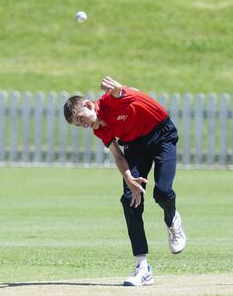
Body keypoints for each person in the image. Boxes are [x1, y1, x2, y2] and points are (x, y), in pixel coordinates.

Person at [63, 76, 186, 286]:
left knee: (163, 192)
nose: (83, 125)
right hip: (135, 145)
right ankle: (143, 267)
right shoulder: (99, 128)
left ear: (88, 104)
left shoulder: (111, 100)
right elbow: (118, 156)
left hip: (162, 134)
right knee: (130, 198)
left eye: (81, 118)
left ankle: (172, 220)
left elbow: (120, 93)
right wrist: (128, 177)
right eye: (78, 125)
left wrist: (117, 89)